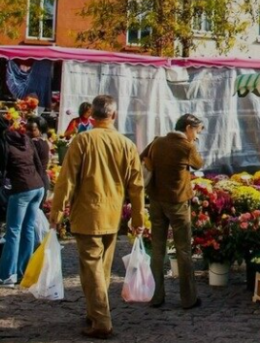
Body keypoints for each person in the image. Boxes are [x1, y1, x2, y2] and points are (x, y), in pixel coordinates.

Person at [50, 95, 145, 340]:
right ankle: (95, 312)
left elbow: (66, 180)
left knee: (92, 268)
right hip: (112, 215)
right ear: (113, 115)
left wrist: (56, 213)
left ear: (92, 116)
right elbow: (136, 186)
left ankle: (101, 319)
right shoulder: (126, 144)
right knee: (100, 268)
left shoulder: (82, 141)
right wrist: (138, 218)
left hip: (87, 214)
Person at [0, 113, 48, 288]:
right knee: (28, 230)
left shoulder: (1, 144)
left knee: (13, 231)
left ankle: (6, 275)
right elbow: (38, 164)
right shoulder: (24, 138)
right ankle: (23, 272)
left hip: (21, 189)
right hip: (37, 186)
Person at [142, 114, 204, 310]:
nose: (196, 136)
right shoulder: (186, 146)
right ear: (188, 128)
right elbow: (199, 164)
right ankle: (188, 298)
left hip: (156, 200)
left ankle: (155, 296)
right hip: (177, 202)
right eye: (196, 131)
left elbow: (143, 157)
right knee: (183, 249)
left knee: (157, 249)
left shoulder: (157, 142)